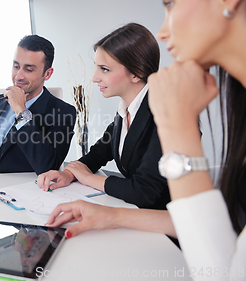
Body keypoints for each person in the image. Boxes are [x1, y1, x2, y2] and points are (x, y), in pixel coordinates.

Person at [46, 0, 246, 276]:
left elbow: (218, 268)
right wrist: (98, 201)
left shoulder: (165, 108)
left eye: (170, 4)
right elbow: (225, 240)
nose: (164, 32)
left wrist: (177, 123)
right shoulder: (128, 110)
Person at [38, 23, 169, 210]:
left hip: (165, 229)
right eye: (96, 68)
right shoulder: (126, 110)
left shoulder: (164, 113)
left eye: (104, 69)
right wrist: (69, 174)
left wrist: (89, 179)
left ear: (137, 72)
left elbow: (144, 191)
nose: (94, 78)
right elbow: (98, 154)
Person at [0, 35, 76, 174]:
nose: (18, 76)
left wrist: (21, 110)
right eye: (16, 66)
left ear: (47, 74)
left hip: (29, 193)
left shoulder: (63, 112)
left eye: (29, 69)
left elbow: (48, 166)